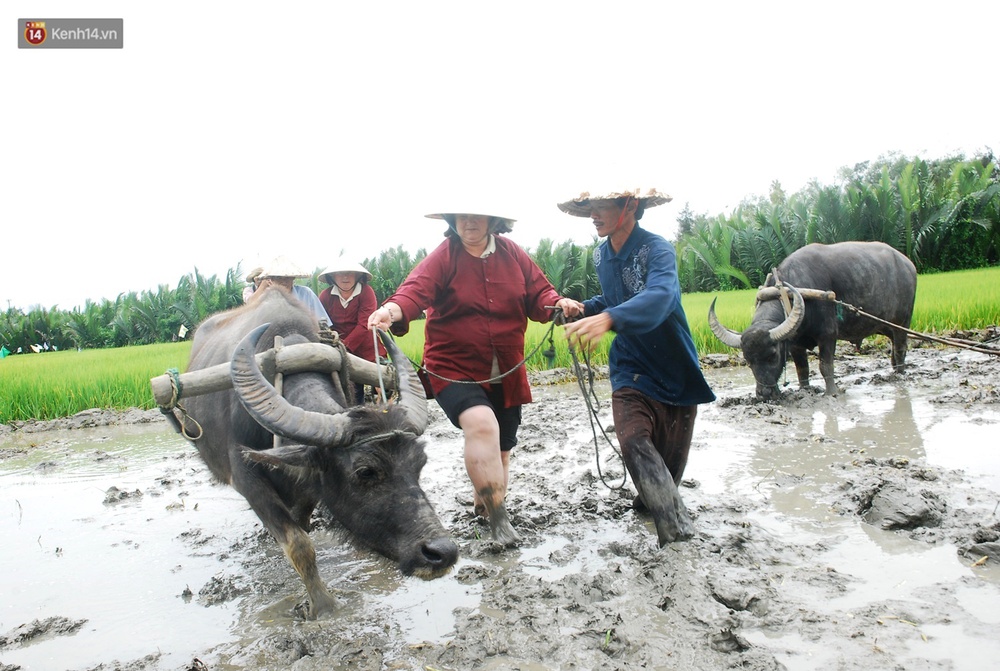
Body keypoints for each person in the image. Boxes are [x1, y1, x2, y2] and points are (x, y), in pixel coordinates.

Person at [366, 208, 582, 545]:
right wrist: (389, 311)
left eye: (477, 217)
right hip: (454, 367)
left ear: (494, 222)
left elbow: (540, 294)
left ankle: (485, 507)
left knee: (502, 450)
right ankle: (499, 520)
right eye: (461, 217)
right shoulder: (443, 257)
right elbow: (413, 292)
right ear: (452, 222)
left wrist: (558, 304)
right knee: (482, 425)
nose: (469, 223)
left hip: (506, 369)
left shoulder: (513, 256)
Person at [557, 187, 716, 547]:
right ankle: (677, 537)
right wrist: (586, 309)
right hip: (630, 366)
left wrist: (609, 317)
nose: (593, 215)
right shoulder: (601, 255)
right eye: (589, 208)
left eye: (600, 206)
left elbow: (660, 297)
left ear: (629, 205)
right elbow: (614, 298)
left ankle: (652, 506)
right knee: (633, 440)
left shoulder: (657, 249)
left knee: (666, 475)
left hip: (673, 367)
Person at [318, 257, 385, 403]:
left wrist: (344, 347)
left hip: (367, 348)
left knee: (383, 385)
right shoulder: (325, 296)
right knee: (351, 390)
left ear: (357, 276)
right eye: (340, 273)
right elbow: (323, 325)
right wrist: (337, 349)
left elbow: (364, 325)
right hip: (339, 348)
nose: (345, 277)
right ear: (332, 277)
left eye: (349, 273)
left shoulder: (366, 292)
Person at [253, 256, 331, 328]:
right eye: (279, 278)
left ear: (293, 278)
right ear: (271, 280)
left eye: (287, 278)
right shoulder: (266, 297)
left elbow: (323, 322)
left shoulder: (306, 294)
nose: (283, 282)